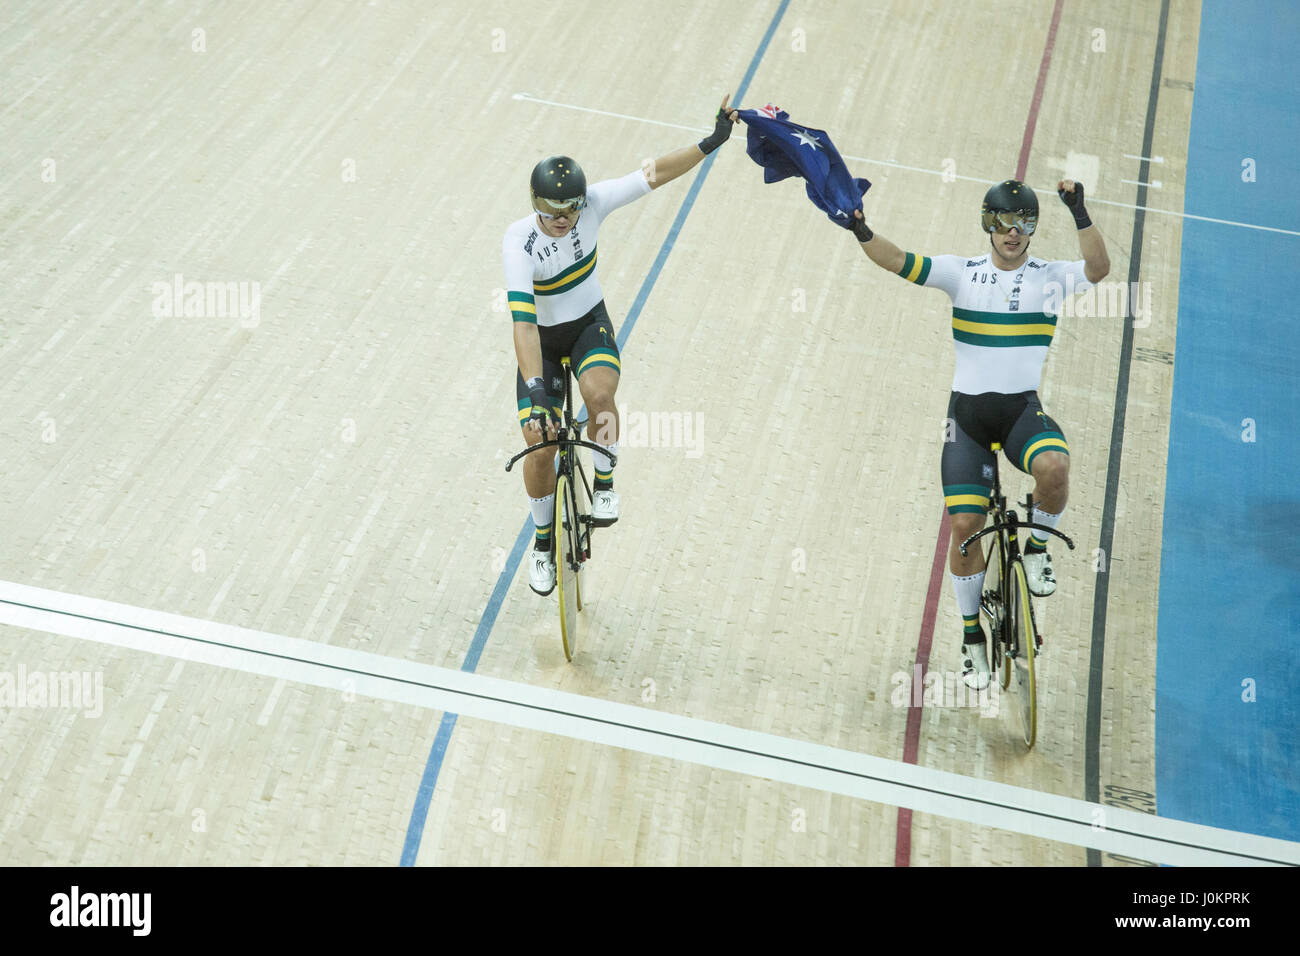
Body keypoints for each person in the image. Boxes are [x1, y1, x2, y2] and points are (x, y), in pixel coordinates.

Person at [843, 179, 1109, 688]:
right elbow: (897, 260)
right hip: (965, 421)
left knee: (1055, 467)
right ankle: (971, 636)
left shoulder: (1049, 276)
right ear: (988, 223)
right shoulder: (959, 273)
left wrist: (1079, 212)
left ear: (1033, 228)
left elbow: (1099, 269)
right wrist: (860, 227)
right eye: (1004, 222)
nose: (1013, 232)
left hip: (1020, 415)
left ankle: (1035, 553)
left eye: (1025, 223)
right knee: (965, 525)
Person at [504, 96, 740, 595]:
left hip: (588, 322)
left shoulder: (595, 203)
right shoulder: (517, 244)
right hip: (541, 343)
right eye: (552, 210)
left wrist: (710, 142)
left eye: (570, 207)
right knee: (539, 443)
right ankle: (543, 543)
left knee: (601, 398)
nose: (564, 217)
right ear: (534, 205)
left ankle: (606, 485)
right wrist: (535, 388)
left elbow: (651, 175)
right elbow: (523, 327)